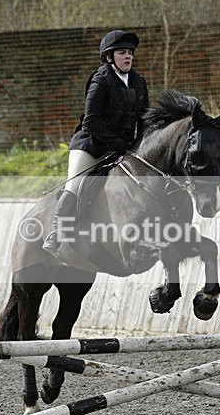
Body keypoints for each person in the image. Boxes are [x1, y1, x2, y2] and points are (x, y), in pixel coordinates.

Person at [43, 29, 149, 255]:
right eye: (122, 53)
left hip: (124, 146)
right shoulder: (100, 81)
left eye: (130, 52)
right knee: (74, 184)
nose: (128, 56)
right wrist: (117, 143)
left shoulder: (139, 82)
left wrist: (140, 144)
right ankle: (57, 232)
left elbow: (144, 118)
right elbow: (91, 120)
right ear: (110, 57)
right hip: (91, 145)